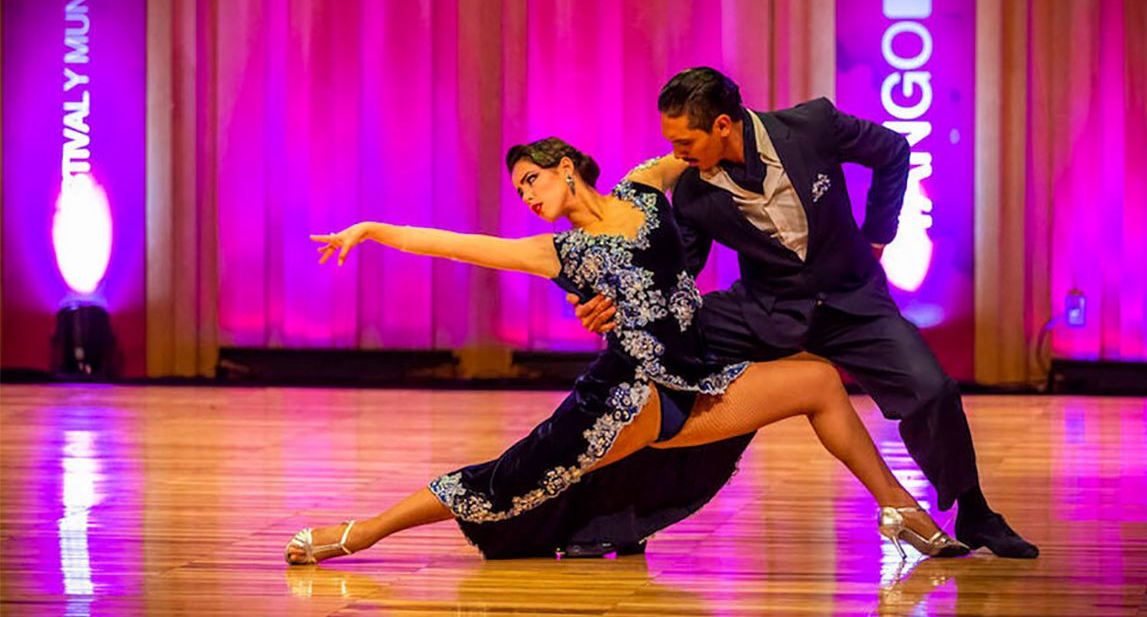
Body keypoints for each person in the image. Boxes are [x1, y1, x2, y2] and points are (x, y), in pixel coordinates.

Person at [285, 138, 969, 564]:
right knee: (506, 481)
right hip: (625, 398)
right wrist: (374, 228)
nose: (525, 195)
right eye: (519, 188)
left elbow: (705, 136)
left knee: (819, 379)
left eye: (532, 180)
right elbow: (452, 244)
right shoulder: (553, 250)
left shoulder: (644, 188)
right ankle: (361, 532)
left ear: (565, 168)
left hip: (700, 379)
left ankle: (902, 514)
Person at [570, 68, 1037, 558]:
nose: (675, 153)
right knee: (661, 360)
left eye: (685, 140)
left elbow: (894, 151)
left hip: (853, 300)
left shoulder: (813, 125)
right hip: (764, 308)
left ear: (724, 125)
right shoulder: (690, 192)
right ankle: (612, 519)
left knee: (932, 390)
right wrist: (616, 300)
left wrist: (877, 235)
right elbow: (678, 272)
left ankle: (974, 509)